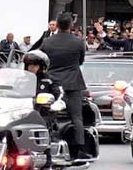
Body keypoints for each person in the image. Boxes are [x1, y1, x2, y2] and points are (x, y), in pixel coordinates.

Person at [40, 12, 91, 160]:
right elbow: (81, 61)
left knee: (47, 115)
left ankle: (46, 145)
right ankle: (79, 148)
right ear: (70, 25)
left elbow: (43, 60)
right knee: (76, 117)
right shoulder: (78, 42)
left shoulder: (47, 41)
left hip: (52, 82)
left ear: (57, 24)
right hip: (73, 83)